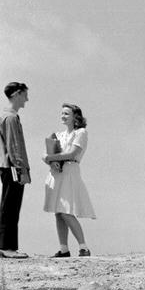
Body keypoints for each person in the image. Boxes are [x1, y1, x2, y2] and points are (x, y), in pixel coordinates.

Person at [42, 104, 95, 258]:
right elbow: (46, 153)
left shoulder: (81, 133)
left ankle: (83, 247)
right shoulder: (58, 135)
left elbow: (73, 153)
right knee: (58, 212)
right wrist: (50, 160)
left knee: (66, 211)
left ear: (75, 117)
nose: (63, 116)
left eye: (66, 113)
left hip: (70, 172)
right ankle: (64, 249)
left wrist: (50, 157)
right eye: (62, 113)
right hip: (57, 174)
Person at [0, 81, 31, 259]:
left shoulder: (9, 116)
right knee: (10, 206)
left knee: (9, 205)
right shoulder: (10, 117)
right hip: (12, 167)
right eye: (25, 94)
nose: (27, 99)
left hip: (9, 166)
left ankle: (7, 246)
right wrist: (21, 170)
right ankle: (7, 247)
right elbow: (13, 147)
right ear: (17, 94)